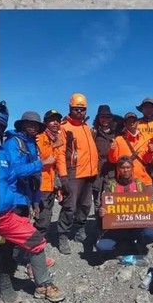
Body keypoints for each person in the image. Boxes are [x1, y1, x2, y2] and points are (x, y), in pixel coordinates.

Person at [0, 112, 65, 303]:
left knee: (19, 239)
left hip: (22, 199)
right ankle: (7, 281)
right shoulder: (13, 144)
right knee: (8, 244)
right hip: (11, 203)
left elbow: (33, 179)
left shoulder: (29, 144)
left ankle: (31, 266)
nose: (32, 127)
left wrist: (34, 201)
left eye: (35, 125)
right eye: (29, 123)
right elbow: (16, 171)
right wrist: (40, 163)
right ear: (22, 124)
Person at [57, 93, 99, 253]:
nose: (80, 112)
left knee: (86, 204)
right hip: (73, 172)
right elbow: (60, 153)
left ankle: (79, 229)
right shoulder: (64, 127)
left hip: (89, 172)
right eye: (76, 109)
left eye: (82, 109)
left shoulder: (86, 127)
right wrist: (63, 175)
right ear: (70, 109)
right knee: (70, 206)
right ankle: (62, 235)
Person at [95, 156, 153, 257]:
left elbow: (151, 207)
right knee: (102, 247)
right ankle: (122, 245)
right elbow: (103, 207)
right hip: (117, 227)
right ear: (118, 169)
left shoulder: (140, 185)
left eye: (128, 167)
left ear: (132, 168)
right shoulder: (111, 186)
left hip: (137, 225)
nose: (126, 170)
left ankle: (139, 244)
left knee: (152, 233)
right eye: (123, 167)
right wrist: (101, 212)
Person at [34, 110, 68, 248]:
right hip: (39, 185)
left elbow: (57, 164)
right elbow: (37, 158)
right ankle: (32, 250)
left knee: (45, 219)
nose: (55, 123)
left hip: (50, 186)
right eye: (52, 120)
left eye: (58, 120)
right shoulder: (39, 137)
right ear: (45, 123)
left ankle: (36, 246)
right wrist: (46, 160)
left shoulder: (56, 139)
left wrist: (58, 187)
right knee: (42, 220)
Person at [91, 104, 124, 215]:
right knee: (97, 199)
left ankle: (111, 225)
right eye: (102, 117)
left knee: (111, 198)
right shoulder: (93, 133)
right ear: (98, 118)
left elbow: (123, 120)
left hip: (112, 169)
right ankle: (99, 225)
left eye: (108, 117)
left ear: (111, 118)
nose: (105, 119)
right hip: (98, 170)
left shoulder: (117, 133)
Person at [107, 111, 153, 186]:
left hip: (144, 181)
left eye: (134, 121)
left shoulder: (145, 139)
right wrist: (112, 150)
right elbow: (113, 160)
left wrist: (150, 151)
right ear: (124, 124)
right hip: (124, 183)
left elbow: (147, 160)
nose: (132, 123)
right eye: (129, 121)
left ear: (138, 122)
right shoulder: (118, 140)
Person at [135, 97, 153, 189]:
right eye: (146, 107)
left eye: (151, 107)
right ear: (142, 109)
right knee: (142, 189)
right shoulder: (136, 123)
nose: (148, 110)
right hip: (141, 162)